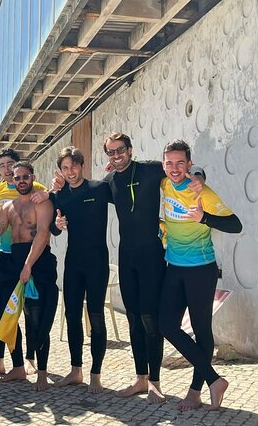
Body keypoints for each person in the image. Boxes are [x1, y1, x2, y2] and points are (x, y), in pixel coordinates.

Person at [101, 132, 203, 403]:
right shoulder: (110, 180)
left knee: (150, 319)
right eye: (111, 152)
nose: (116, 155)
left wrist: (200, 176)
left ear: (130, 149)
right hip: (127, 257)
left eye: (120, 150)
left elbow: (181, 168)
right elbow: (84, 192)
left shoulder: (150, 170)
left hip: (151, 257)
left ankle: (155, 382)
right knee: (133, 318)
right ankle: (140, 379)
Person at [158, 140, 241, 411]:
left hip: (201, 269)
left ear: (189, 164)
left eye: (180, 163)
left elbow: (234, 224)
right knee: (166, 325)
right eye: (169, 163)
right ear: (163, 165)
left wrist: (205, 217)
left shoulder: (203, 192)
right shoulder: (164, 183)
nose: (174, 168)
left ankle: (195, 393)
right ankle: (214, 380)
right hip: (174, 267)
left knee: (201, 328)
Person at [0, 161, 58, 392]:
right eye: (18, 178)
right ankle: (17, 366)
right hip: (13, 260)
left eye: (26, 177)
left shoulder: (42, 201)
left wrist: (28, 266)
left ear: (32, 177)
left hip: (38, 260)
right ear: (12, 180)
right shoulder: (8, 207)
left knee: (37, 318)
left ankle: (42, 373)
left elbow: (43, 234)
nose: (22, 181)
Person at [50, 147, 112, 394]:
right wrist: (56, 225)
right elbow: (53, 230)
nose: (70, 172)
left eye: (73, 166)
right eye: (65, 168)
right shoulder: (59, 195)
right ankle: (76, 370)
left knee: (95, 316)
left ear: (82, 166)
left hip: (97, 262)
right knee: (71, 316)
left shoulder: (99, 188)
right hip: (73, 263)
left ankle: (96, 374)